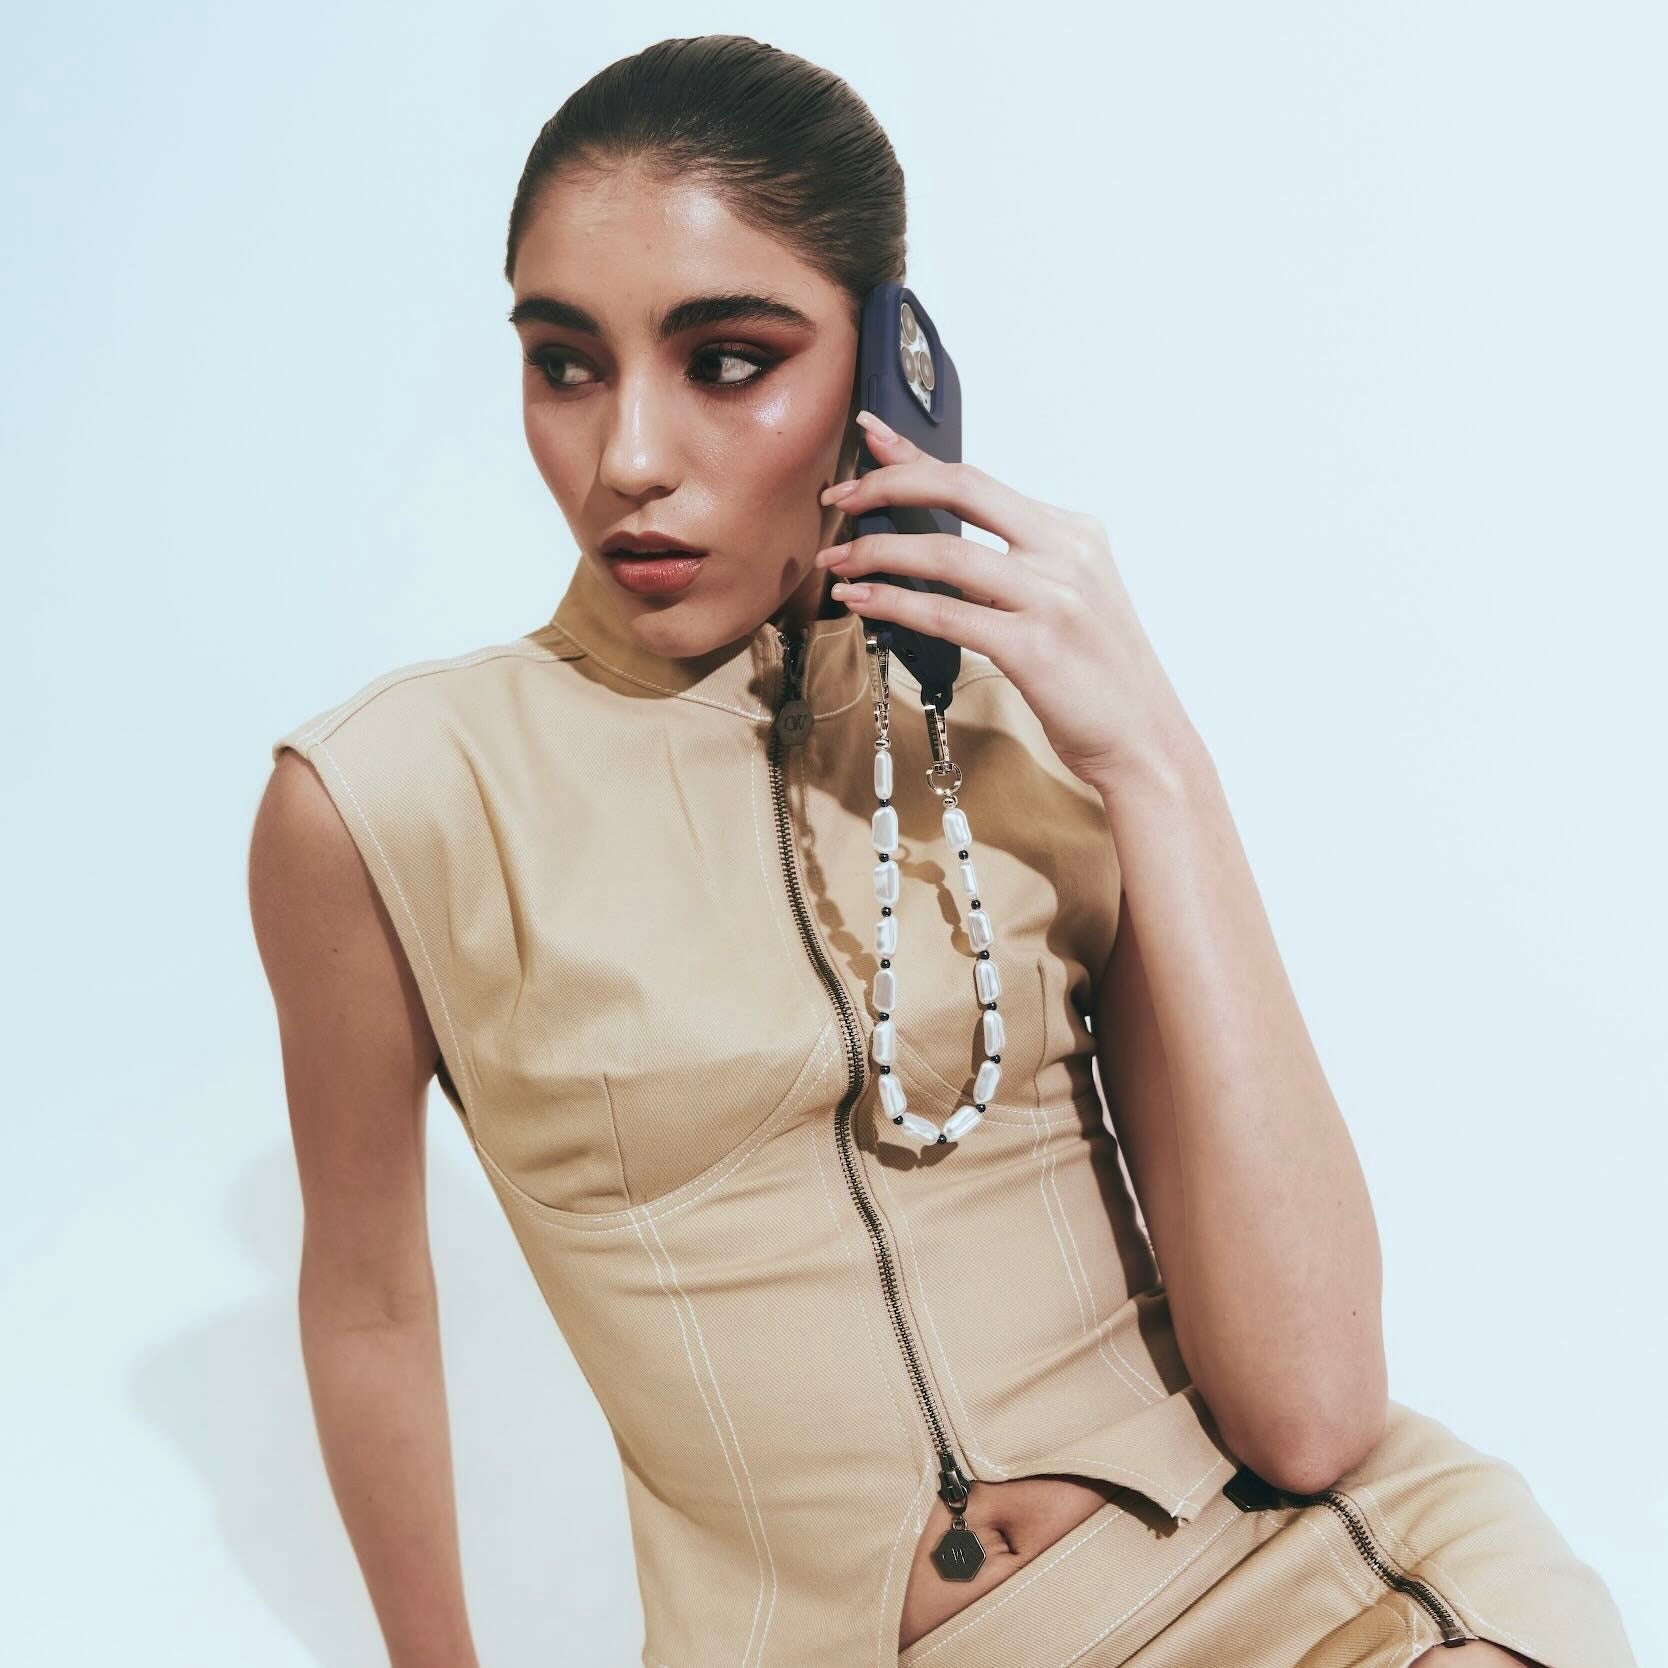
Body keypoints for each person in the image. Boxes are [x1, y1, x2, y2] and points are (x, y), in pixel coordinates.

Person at [247, 34, 1638, 1668]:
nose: (627, 454)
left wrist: (1158, 767)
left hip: (1312, 1588)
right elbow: (368, 1307)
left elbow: (1317, 1407)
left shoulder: (1013, 717)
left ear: (889, 370)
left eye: (726, 361)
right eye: (566, 363)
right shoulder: (390, 796)